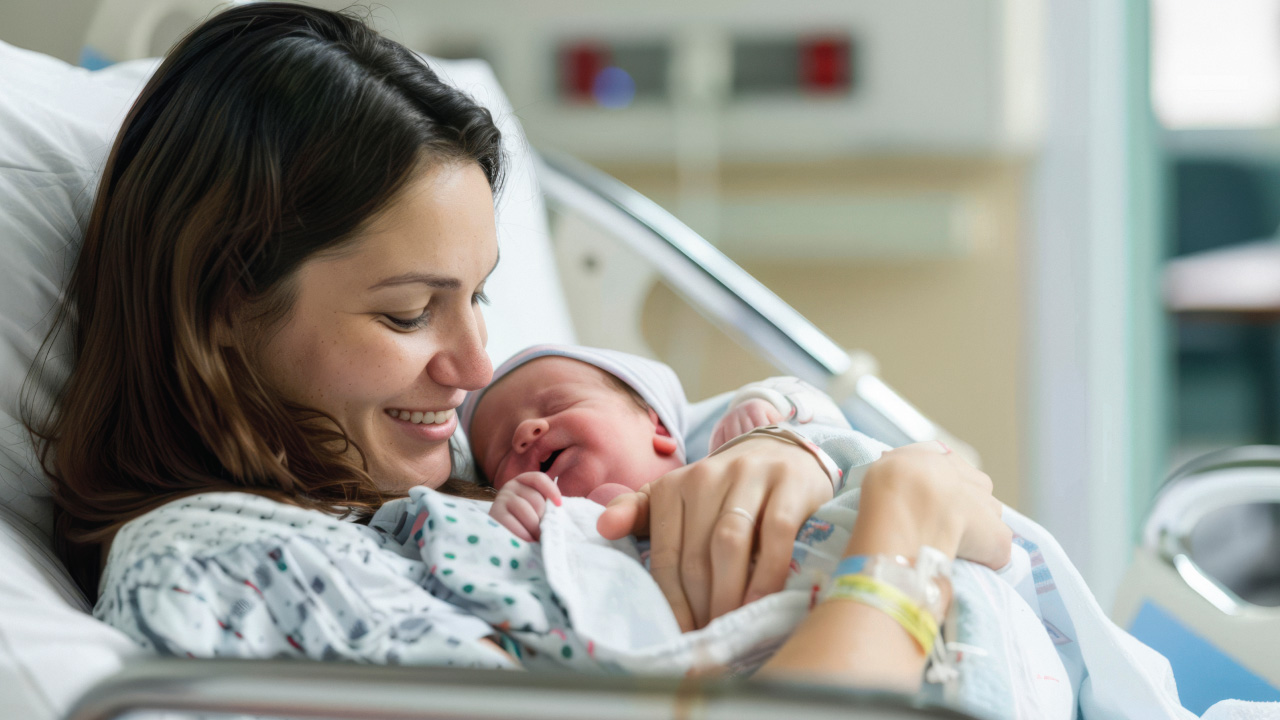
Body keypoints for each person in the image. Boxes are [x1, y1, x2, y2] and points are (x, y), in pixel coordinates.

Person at [24, 1, 1011, 694]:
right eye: (408, 313)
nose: (473, 367)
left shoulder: (479, 459)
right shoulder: (218, 568)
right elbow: (928, 500)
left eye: (479, 297)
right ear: (221, 309)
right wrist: (896, 528)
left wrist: (787, 448)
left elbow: (981, 516)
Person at [459, 343, 852, 542]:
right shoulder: (563, 531)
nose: (523, 434)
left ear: (660, 428)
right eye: (501, 455)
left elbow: (837, 443)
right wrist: (514, 526)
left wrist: (768, 406)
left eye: (557, 404)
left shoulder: (727, 447)